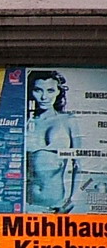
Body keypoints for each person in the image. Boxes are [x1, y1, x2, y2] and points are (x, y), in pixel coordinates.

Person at [27, 69, 81, 211]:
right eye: (38, 90)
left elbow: (79, 164)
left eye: (50, 90)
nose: (44, 97)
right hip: (25, 203)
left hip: (56, 204)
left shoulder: (68, 120)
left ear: (58, 92)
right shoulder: (25, 121)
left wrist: (72, 201)